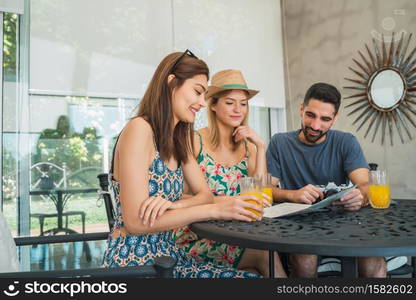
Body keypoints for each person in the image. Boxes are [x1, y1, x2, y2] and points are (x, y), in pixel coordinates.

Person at [102, 50, 264, 278]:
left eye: (204, 95)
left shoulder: (179, 138)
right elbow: (136, 222)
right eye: (197, 92)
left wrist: (173, 204)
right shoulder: (140, 129)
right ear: (171, 83)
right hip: (136, 260)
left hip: (169, 254)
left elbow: (204, 195)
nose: (201, 103)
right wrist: (216, 210)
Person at [173, 69, 287, 277]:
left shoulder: (248, 147)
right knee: (264, 255)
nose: (238, 109)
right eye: (230, 102)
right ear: (213, 105)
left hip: (238, 235)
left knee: (257, 267)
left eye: (243, 103)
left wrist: (260, 147)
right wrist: (227, 202)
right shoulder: (194, 141)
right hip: (196, 236)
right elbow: (179, 196)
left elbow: (261, 197)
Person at [266, 82, 386, 278]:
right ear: (301, 109)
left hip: (345, 222)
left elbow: (366, 184)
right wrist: (293, 195)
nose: (315, 126)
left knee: (373, 262)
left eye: (325, 119)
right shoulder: (280, 142)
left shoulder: (346, 141)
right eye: (310, 115)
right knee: (304, 261)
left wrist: (361, 196)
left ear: (335, 119)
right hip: (300, 226)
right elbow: (266, 190)